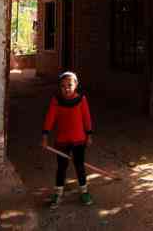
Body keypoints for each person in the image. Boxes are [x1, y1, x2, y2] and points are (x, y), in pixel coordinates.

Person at [42, 72, 94, 209]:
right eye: (63, 86)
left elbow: (86, 117)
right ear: (60, 87)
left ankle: (84, 192)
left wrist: (89, 135)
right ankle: (58, 194)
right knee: (61, 167)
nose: (66, 88)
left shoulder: (81, 99)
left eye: (70, 85)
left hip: (79, 140)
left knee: (79, 166)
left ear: (76, 85)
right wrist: (45, 136)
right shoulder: (56, 100)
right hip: (62, 141)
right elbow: (50, 118)